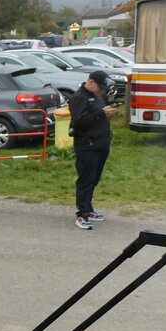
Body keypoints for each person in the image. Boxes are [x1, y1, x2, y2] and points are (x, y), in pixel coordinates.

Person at [68, 70, 117, 230]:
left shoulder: (96, 96)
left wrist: (106, 113)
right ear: (91, 82)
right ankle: (81, 214)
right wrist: (101, 113)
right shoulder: (78, 97)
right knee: (86, 180)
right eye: (100, 87)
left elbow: (98, 114)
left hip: (100, 143)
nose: (102, 91)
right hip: (86, 145)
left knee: (94, 179)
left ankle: (88, 210)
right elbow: (80, 120)